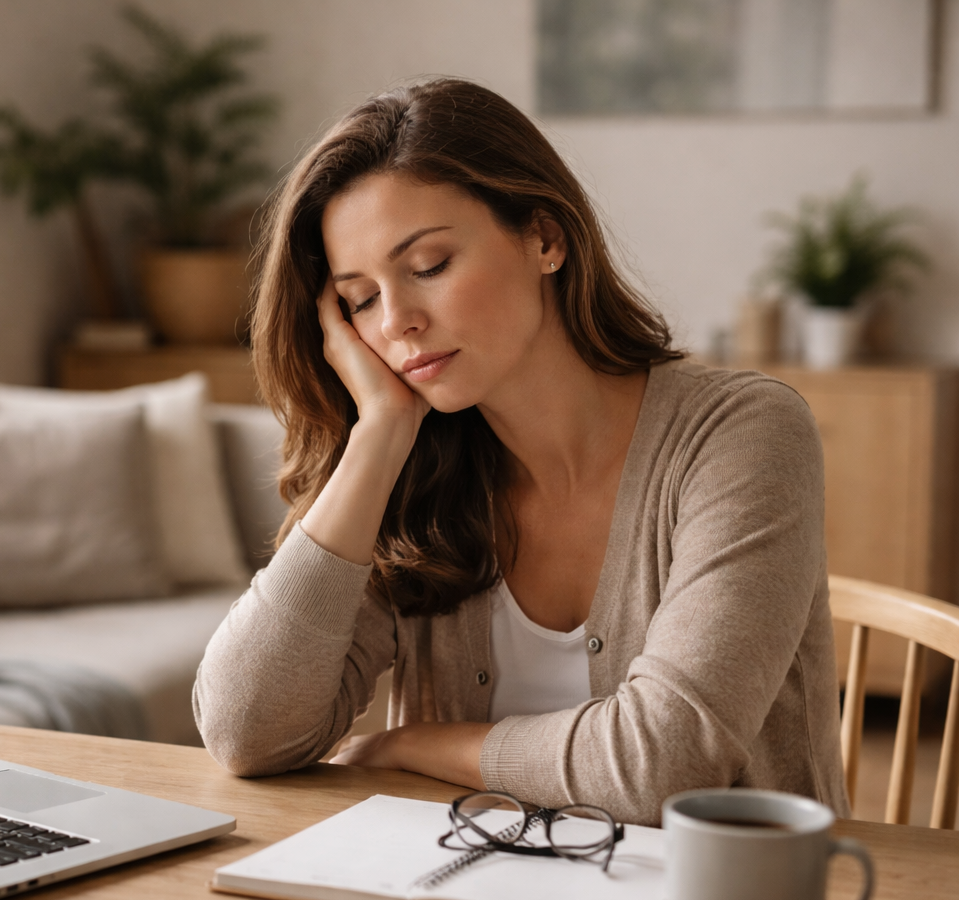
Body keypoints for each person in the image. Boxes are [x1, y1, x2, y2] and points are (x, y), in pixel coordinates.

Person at [192, 78, 848, 826]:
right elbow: (244, 731)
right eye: (361, 299)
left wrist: (414, 744)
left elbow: (662, 765)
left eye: (429, 265)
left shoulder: (742, 434)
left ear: (544, 238)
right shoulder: (418, 473)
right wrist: (376, 438)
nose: (398, 321)